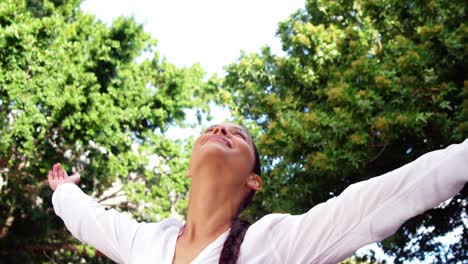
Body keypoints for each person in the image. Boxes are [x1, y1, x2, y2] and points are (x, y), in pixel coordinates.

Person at [48, 123, 468, 264]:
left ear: (253, 180)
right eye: (212, 129)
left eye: (238, 134)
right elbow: (92, 220)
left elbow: (388, 196)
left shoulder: (276, 243)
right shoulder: (146, 242)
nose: (220, 130)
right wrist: (64, 192)